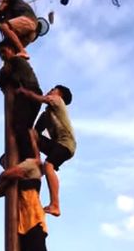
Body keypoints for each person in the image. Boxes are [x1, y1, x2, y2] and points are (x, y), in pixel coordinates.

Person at [16, 85, 77, 217]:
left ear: (59, 95)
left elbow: (39, 98)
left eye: (54, 89)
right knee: (32, 134)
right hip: (56, 146)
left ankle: (55, 205)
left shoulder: (58, 102)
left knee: (48, 165)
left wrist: (24, 91)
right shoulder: (46, 115)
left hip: (66, 144)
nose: (50, 90)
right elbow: (35, 132)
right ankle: (34, 164)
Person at [0, 129, 48, 251]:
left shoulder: (30, 164)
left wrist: (4, 177)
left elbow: (7, 174)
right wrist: (6, 180)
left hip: (34, 221)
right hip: (21, 226)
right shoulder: (16, 176)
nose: (4, 166)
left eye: (6, 163)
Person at [0, 40, 43, 160]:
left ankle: (29, 159)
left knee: (19, 126)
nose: (2, 55)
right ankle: (29, 157)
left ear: (11, 50)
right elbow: (2, 83)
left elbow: (11, 80)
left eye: (3, 51)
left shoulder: (16, 60)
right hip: (33, 94)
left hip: (29, 92)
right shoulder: (14, 63)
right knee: (24, 129)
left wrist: (3, 73)